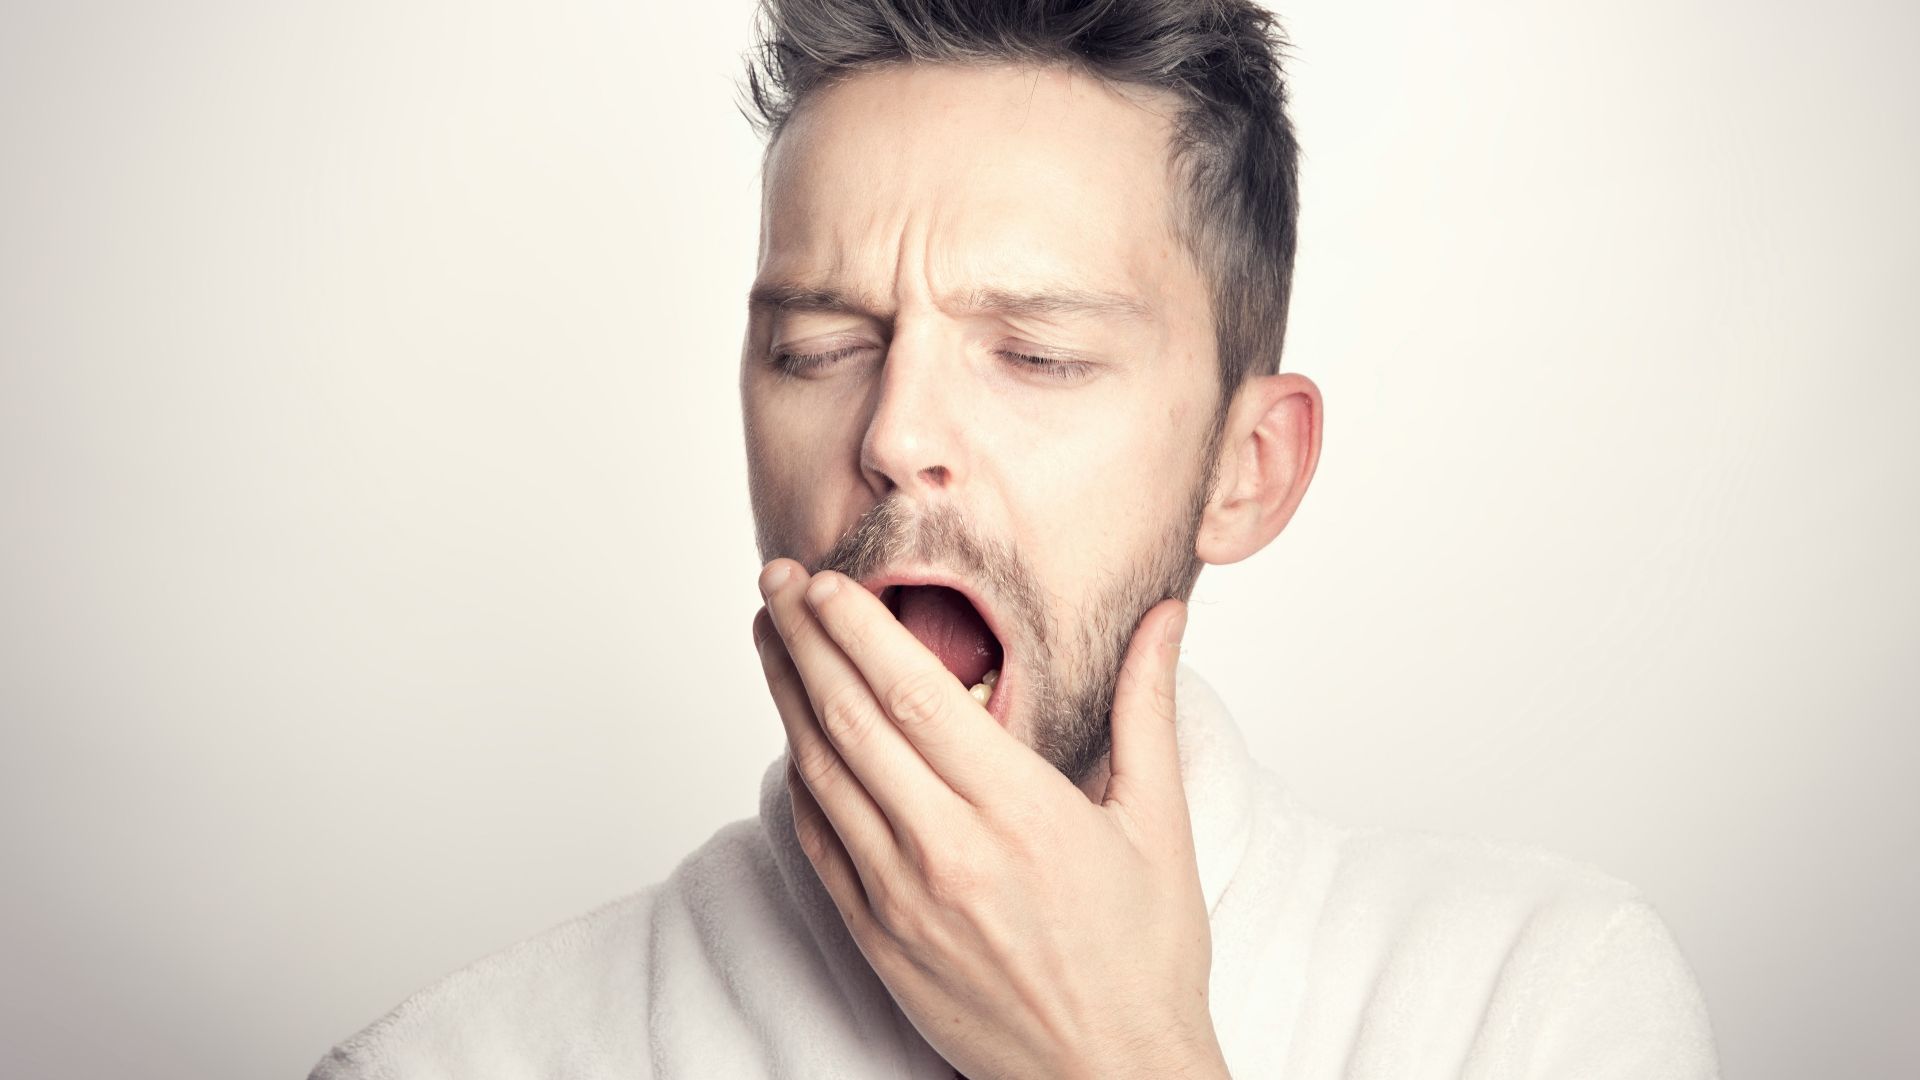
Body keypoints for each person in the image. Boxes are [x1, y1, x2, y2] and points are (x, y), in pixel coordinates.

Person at [311, 1, 1719, 1076]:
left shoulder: (1530, 1003)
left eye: (1034, 355)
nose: (894, 430)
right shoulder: (466, 1059)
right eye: (818, 346)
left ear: (1246, 471)